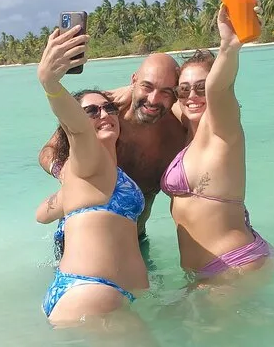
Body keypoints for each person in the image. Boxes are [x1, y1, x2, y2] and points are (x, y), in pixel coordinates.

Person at [35, 24, 149, 324]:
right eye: (91, 111)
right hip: (92, 292)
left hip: (86, 291)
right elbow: (77, 129)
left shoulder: (88, 174)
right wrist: (50, 83)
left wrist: (68, 190)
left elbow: (42, 214)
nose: (104, 114)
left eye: (109, 108)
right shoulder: (90, 157)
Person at [161, 4, 274, 284]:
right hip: (213, 270)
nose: (192, 96)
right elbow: (158, 100)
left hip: (233, 265)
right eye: (184, 89)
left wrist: (229, 47)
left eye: (201, 87)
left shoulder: (222, 125)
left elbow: (220, 89)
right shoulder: (189, 123)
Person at [38, 53, 188, 258]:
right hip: (79, 246)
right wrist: (65, 173)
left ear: (175, 94)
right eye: (147, 86)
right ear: (134, 80)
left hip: (135, 243)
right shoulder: (104, 116)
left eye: (166, 92)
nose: (153, 100)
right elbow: (49, 151)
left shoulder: (178, 133)